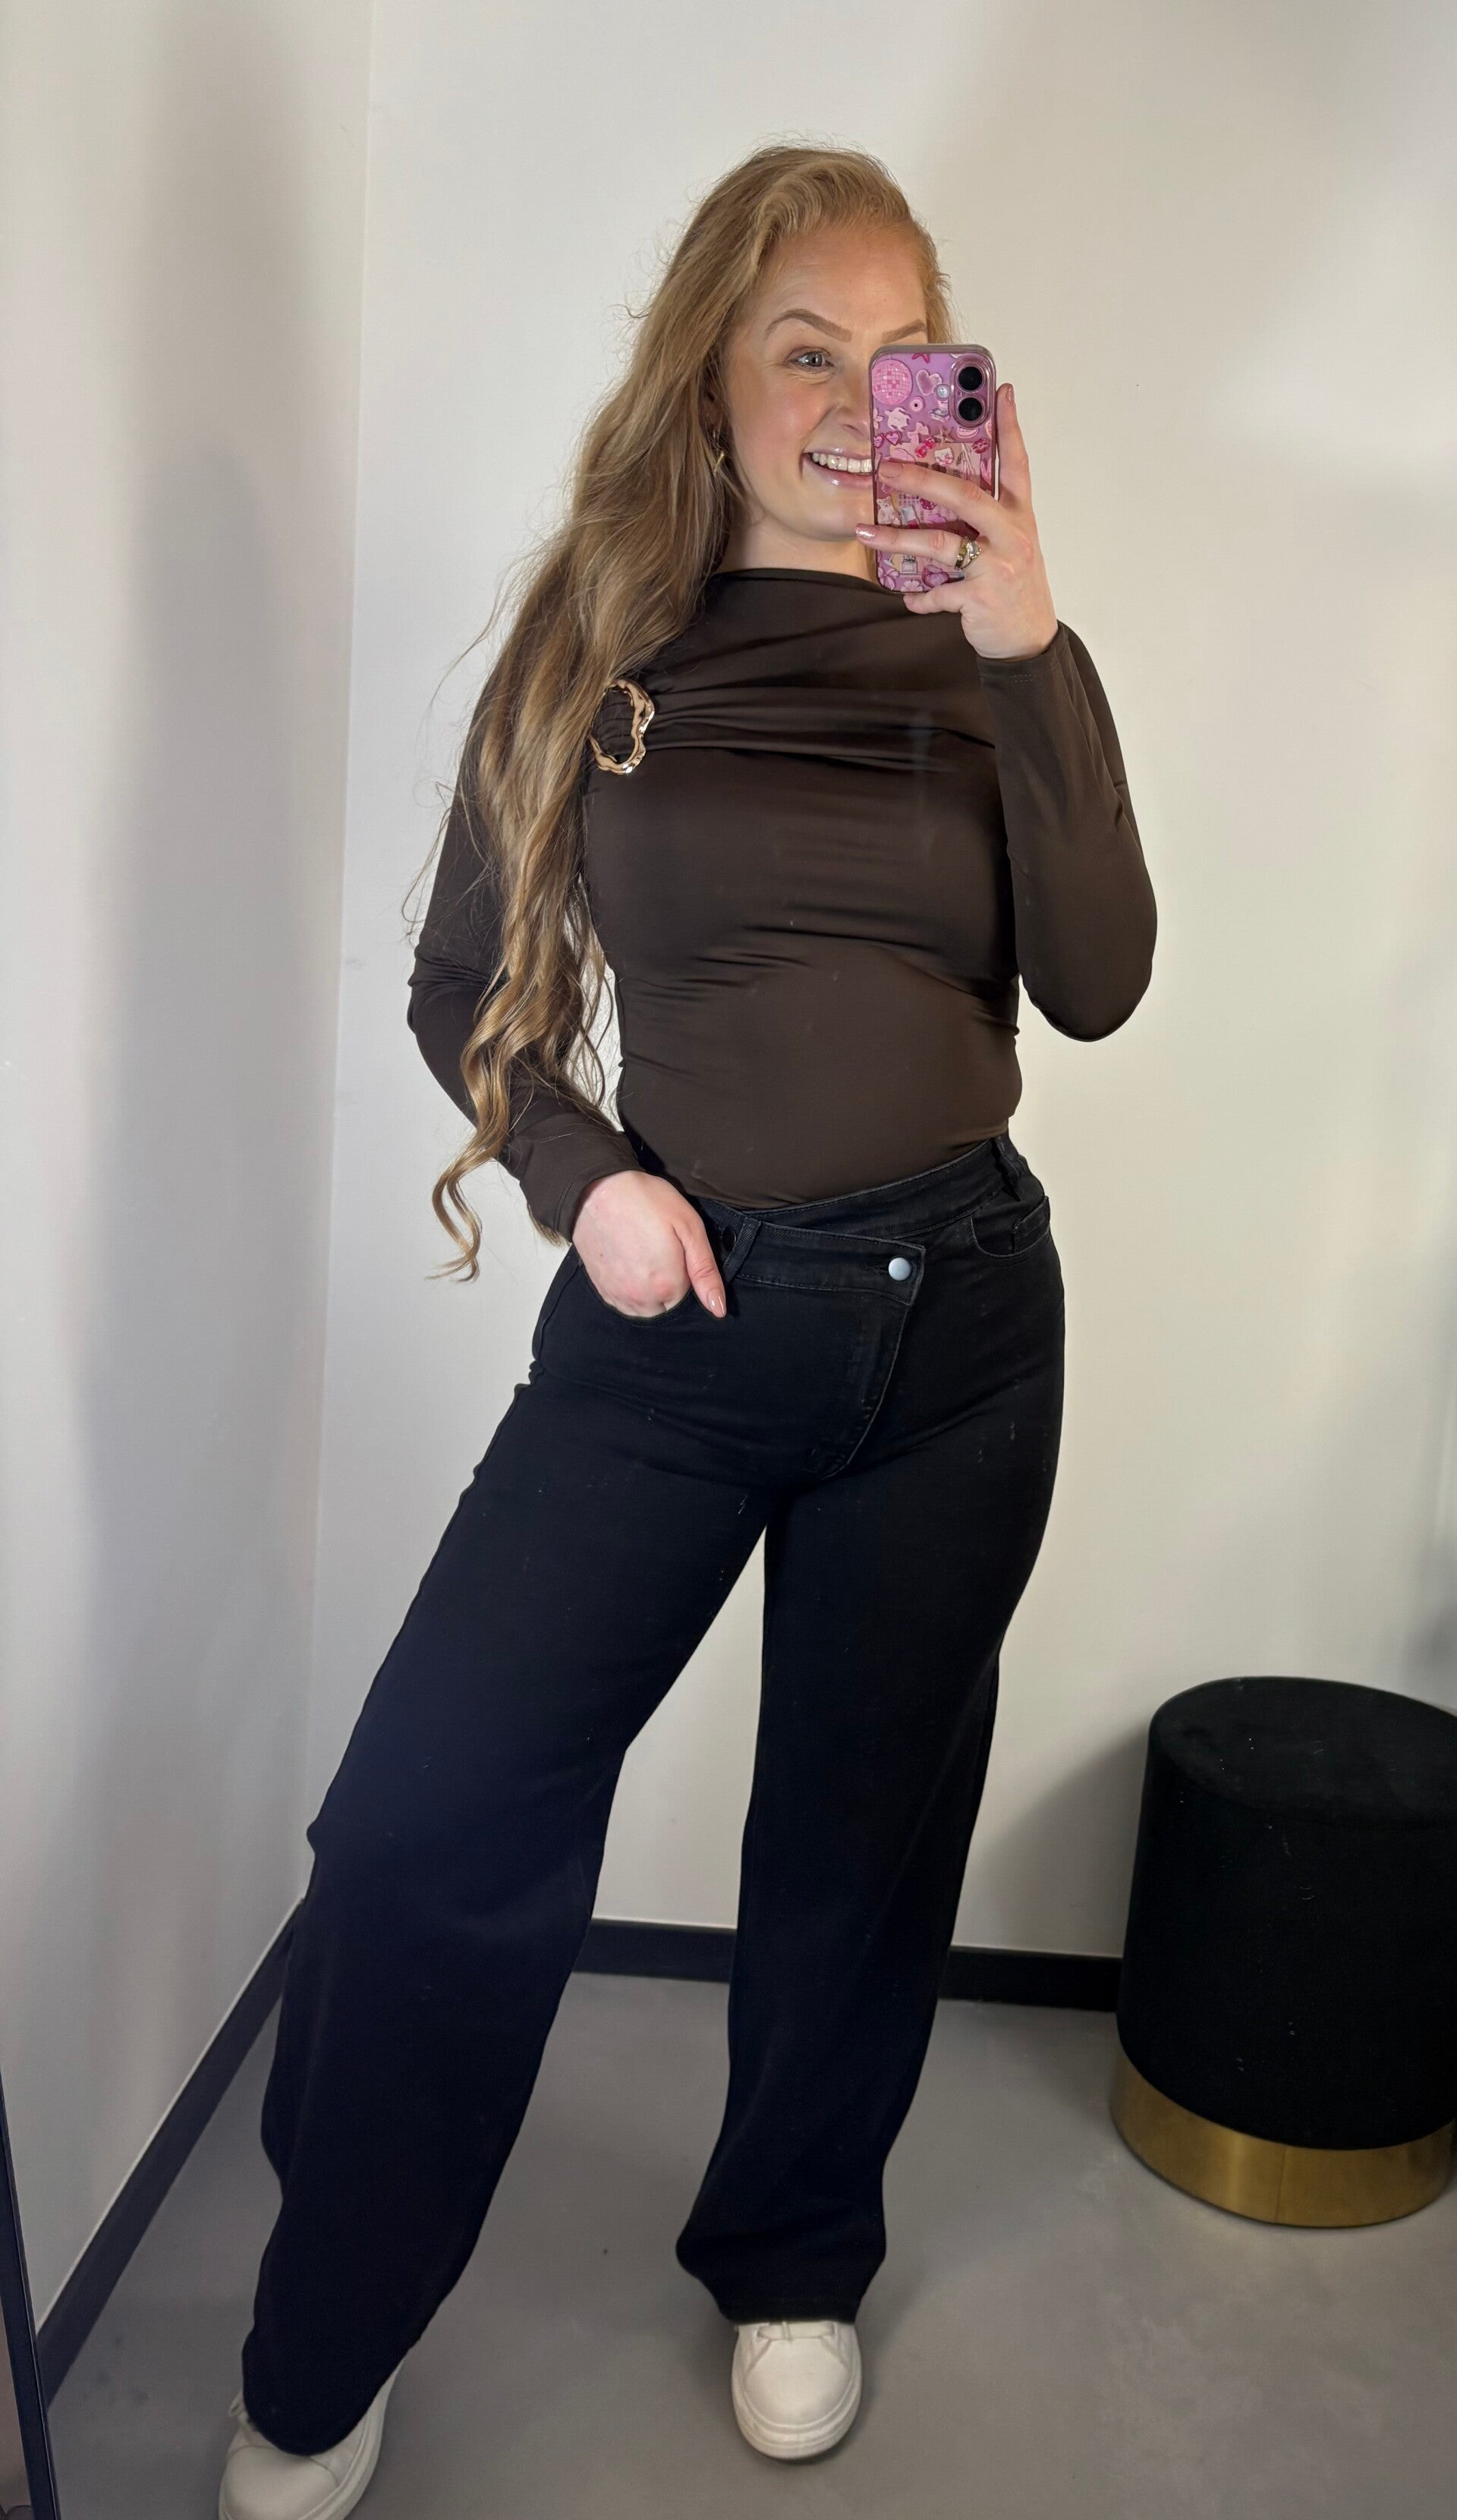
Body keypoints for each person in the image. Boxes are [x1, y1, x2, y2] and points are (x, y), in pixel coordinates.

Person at [219, 141, 1156, 2520]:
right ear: (711, 378)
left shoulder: (994, 640)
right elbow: (462, 984)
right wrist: (588, 1180)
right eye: (803, 348)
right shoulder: (601, 640)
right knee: (432, 1820)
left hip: (964, 1334)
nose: (853, 400)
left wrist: (1032, 631)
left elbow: (1100, 981)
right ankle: (324, 2334)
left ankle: (794, 2256)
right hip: (680, 1322)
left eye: (900, 354)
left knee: (858, 1839)